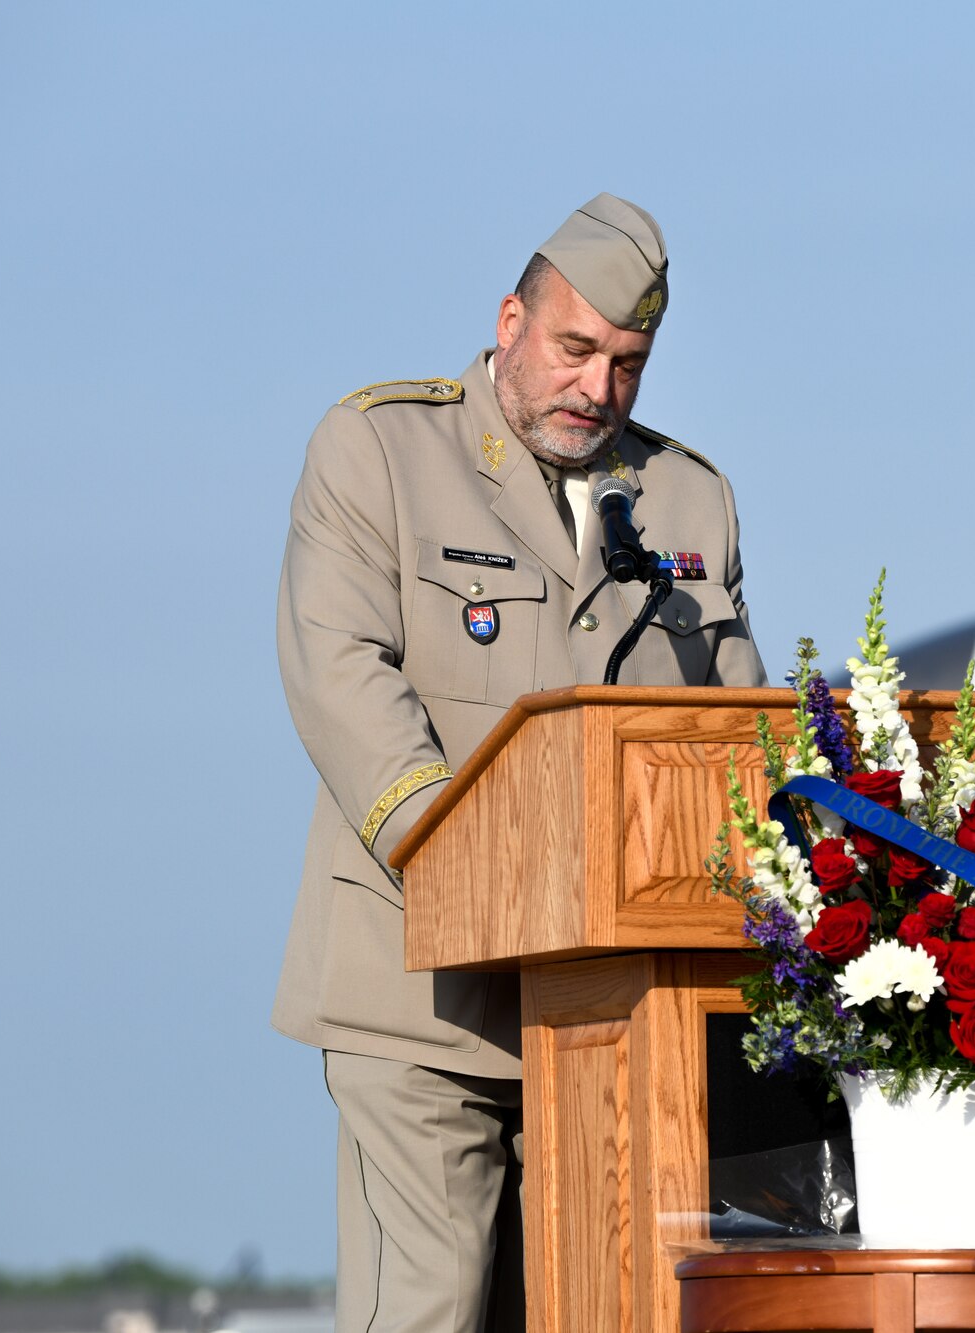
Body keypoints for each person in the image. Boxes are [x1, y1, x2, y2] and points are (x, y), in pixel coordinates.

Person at [271, 194, 766, 1333]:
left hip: (612, 1012)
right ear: (510, 321)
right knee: (434, 1309)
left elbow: (738, 731)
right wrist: (464, 865)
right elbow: (339, 668)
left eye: (627, 363)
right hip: (420, 987)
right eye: (574, 348)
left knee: (598, 1310)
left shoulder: (689, 496)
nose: (596, 387)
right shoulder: (381, 448)